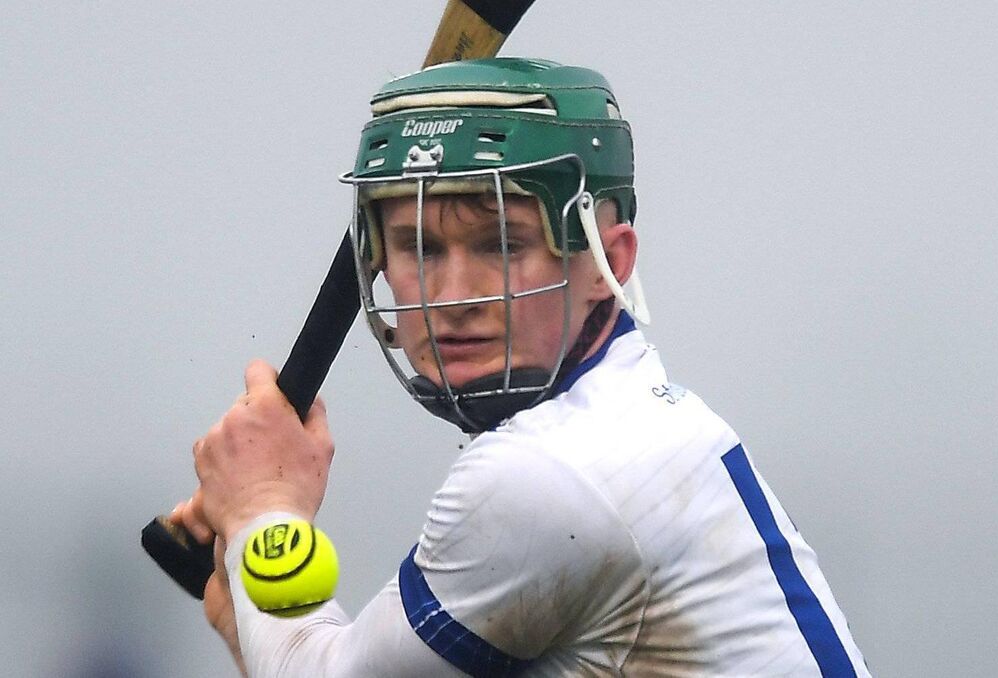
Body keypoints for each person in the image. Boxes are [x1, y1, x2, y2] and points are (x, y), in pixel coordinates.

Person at [171, 57, 871, 677]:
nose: (453, 296)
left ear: (609, 263)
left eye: (503, 243)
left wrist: (263, 507)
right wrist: (253, 619)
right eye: (417, 247)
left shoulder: (544, 480)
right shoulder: (626, 423)